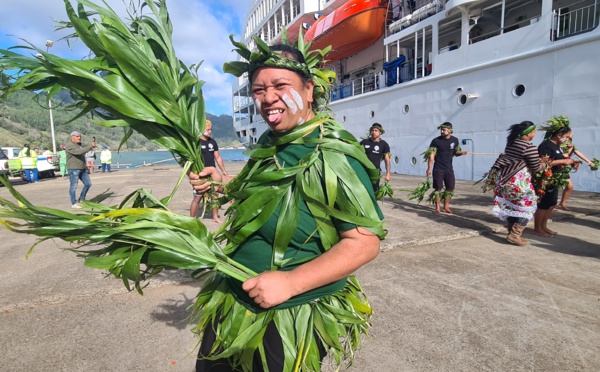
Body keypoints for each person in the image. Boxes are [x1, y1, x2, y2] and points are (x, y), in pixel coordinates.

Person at [188, 37, 386, 371]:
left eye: (281, 85)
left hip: (287, 314)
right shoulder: (272, 143)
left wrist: (290, 283)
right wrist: (220, 183)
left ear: (309, 90)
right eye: (258, 90)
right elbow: (260, 193)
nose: (268, 99)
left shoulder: (332, 154)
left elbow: (365, 242)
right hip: (233, 299)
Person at [489, 121, 544, 246]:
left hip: (504, 181)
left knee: (512, 207)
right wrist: (545, 165)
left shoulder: (511, 143)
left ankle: (510, 232)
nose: (535, 134)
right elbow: (536, 167)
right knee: (528, 208)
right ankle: (515, 235)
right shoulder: (529, 147)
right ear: (529, 133)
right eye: (534, 131)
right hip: (519, 183)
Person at [534, 126, 575, 237]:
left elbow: (561, 158)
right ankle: (538, 228)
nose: (567, 139)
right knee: (544, 204)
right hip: (546, 179)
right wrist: (562, 161)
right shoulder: (546, 145)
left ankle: (544, 226)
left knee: (552, 203)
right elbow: (542, 162)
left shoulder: (558, 146)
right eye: (566, 137)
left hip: (556, 178)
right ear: (559, 134)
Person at [189, 120, 228, 223]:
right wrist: (190, 173)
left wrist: (223, 170)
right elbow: (188, 161)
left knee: (214, 197)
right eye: (208, 129)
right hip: (201, 175)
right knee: (197, 198)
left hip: (213, 175)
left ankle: (215, 217)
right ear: (201, 130)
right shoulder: (195, 143)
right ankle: (191, 219)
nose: (210, 131)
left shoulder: (212, 142)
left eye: (210, 129)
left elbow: (217, 157)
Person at [426, 122, 467, 214]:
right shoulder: (436, 141)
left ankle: (446, 207)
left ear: (450, 130)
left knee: (450, 188)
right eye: (441, 129)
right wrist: (429, 168)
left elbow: (456, 153)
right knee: (438, 189)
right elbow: (432, 156)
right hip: (438, 168)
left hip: (449, 168)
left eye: (444, 129)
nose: (441, 131)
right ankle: (437, 208)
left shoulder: (455, 140)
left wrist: (460, 153)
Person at [557, 133, 594, 211]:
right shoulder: (557, 144)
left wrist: (589, 162)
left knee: (570, 187)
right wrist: (570, 150)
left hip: (563, 169)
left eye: (569, 138)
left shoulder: (570, 144)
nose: (568, 139)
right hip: (555, 168)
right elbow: (564, 156)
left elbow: (578, 152)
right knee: (553, 187)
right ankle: (549, 205)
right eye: (567, 137)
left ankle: (562, 203)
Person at [65, 131, 95, 209]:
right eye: (77, 136)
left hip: (82, 168)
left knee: (88, 183)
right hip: (74, 168)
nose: (79, 138)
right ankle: (74, 203)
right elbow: (79, 152)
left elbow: (82, 152)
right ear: (72, 137)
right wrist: (90, 147)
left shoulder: (78, 145)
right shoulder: (69, 145)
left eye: (80, 136)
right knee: (73, 186)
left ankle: (82, 199)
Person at [360, 122, 391, 192]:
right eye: (372, 130)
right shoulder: (364, 142)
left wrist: (388, 173)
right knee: (363, 190)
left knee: (374, 191)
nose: (374, 132)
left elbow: (387, 160)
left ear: (380, 132)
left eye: (376, 130)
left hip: (375, 172)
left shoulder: (384, 144)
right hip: (364, 170)